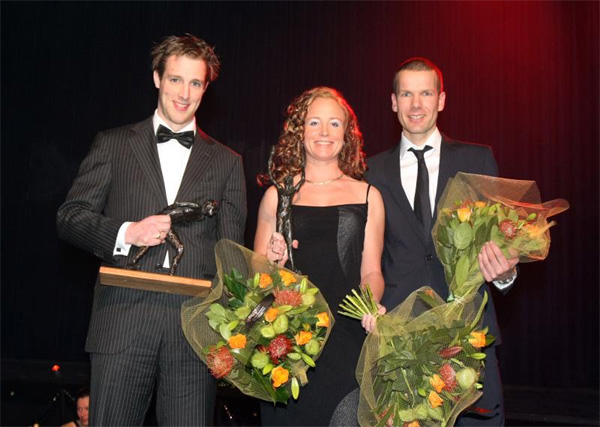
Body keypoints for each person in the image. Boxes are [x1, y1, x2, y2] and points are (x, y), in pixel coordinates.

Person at [56, 34, 247, 426]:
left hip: (194, 336)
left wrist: (234, 333)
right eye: (176, 79)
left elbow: (232, 258)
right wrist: (127, 233)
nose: (184, 92)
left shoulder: (227, 162)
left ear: (205, 88)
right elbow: (70, 216)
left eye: (195, 83)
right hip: (123, 324)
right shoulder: (113, 144)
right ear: (157, 78)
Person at [366, 57, 519, 425]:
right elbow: (362, 252)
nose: (416, 104)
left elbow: (503, 240)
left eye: (425, 93)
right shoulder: (369, 169)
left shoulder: (477, 159)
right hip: (401, 343)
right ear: (393, 102)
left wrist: (505, 274)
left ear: (442, 99)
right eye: (407, 94)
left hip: (469, 337)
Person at [254, 86, 386, 426]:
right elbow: (256, 278)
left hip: (346, 342)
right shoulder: (276, 196)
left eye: (333, 123)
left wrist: (371, 304)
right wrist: (272, 262)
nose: (324, 132)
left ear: (347, 134)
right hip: (286, 344)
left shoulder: (369, 195)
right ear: (300, 132)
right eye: (314, 123)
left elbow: (371, 271)